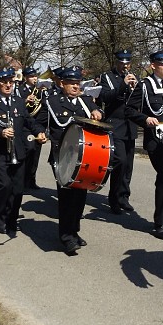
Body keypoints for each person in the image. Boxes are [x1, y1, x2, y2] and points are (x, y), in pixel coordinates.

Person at [36, 66, 104, 254]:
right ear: (62, 84)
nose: (76, 87)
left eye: (77, 83)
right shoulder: (52, 102)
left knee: (80, 196)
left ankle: (74, 231)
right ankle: (66, 237)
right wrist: (40, 132)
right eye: (72, 84)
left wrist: (98, 112)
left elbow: (98, 113)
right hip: (62, 155)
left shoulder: (86, 101)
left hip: (84, 156)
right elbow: (37, 122)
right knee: (66, 196)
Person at [0, 69, 46, 235]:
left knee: (18, 190)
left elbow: (28, 121)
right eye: (5, 82)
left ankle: (12, 220)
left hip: (18, 151)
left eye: (11, 82)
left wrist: (39, 132)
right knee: (4, 186)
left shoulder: (18, 102)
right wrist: (0, 133)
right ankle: (1, 218)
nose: (9, 85)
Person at [127, 50, 163, 240]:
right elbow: (128, 110)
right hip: (155, 139)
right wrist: (145, 119)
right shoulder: (145, 85)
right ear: (153, 65)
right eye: (162, 64)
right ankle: (158, 222)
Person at [99, 49, 138, 214]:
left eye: (127, 63)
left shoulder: (135, 77)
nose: (125, 66)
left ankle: (124, 197)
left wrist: (136, 88)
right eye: (122, 63)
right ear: (117, 63)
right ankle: (114, 198)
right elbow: (105, 98)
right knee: (120, 162)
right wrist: (122, 86)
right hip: (115, 125)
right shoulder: (107, 77)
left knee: (128, 165)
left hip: (130, 126)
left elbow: (138, 101)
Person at [15, 66, 46, 190]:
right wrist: (25, 100)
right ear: (26, 77)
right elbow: (16, 104)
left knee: (36, 154)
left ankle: (31, 179)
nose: (35, 78)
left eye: (35, 76)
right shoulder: (20, 90)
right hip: (26, 126)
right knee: (29, 150)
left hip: (37, 125)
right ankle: (22, 179)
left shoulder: (39, 91)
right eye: (32, 76)